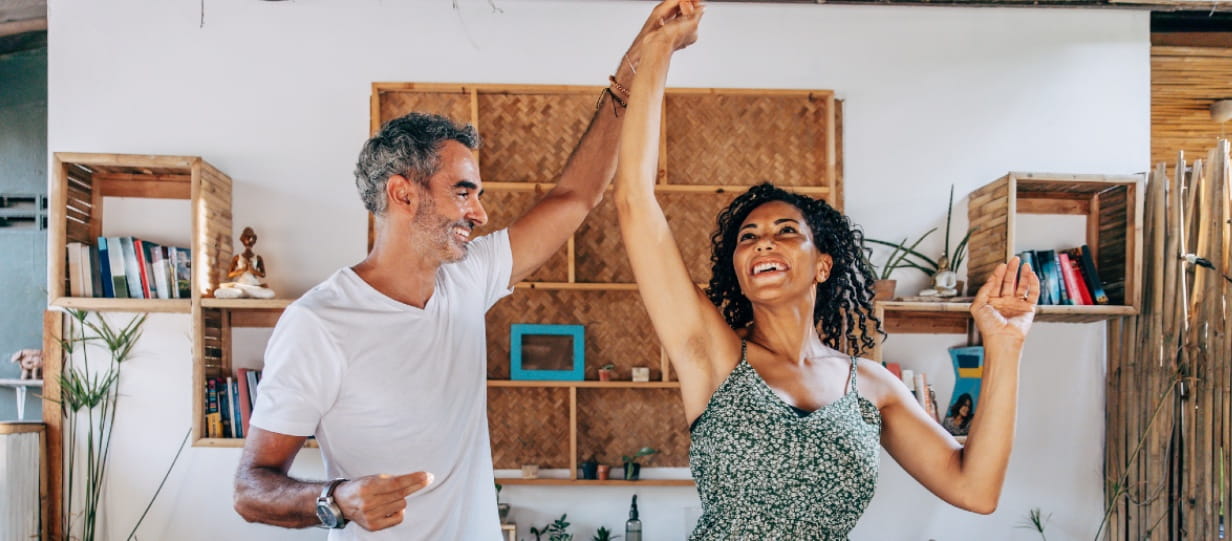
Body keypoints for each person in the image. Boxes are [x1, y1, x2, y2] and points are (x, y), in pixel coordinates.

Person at [231, 3, 699, 539]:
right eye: (462, 193)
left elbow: (576, 196)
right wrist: (335, 499)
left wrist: (637, 61)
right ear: (403, 193)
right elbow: (250, 488)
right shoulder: (319, 323)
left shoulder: (467, 278)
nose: (479, 213)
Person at [612, 3, 1040, 537]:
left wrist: (1005, 346)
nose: (764, 242)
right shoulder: (715, 355)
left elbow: (975, 489)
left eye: (785, 231)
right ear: (739, 270)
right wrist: (659, 49)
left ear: (822, 266)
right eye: (748, 237)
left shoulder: (871, 385)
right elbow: (634, 200)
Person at [214, 226, 275, 299]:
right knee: (220, 292)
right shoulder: (237, 257)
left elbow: (263, 274)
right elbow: (230, 274)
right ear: (243, 239)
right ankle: (247, 292)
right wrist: (243, 269)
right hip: (241, 285)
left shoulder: (258, 258)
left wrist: (253, 270)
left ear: (254, 239)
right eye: (247, 237)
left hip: (254, 285)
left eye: (250, 237)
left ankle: (248, 292)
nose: (249, 240)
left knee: (270, 293)